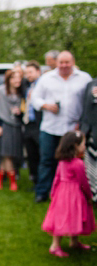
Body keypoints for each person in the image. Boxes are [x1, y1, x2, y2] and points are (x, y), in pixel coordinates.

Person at [31, 51, 92, 203]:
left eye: (67, 62)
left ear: (73, 62)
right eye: (61, 62)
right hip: (50, 127)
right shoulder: (47, 78)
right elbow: (34, 98)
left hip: (72, 129)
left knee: (72, 162)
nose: (64, 65)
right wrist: (46, 105)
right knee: (46, 160)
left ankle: (74, 193)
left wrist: (83, 123)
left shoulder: (84, 78)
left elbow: (89, 103)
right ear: (56, 63)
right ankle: (42, 192)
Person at [42, 131, 94, 257]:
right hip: (74, 195)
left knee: (63, 217)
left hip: (61, 194)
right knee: (73, 216)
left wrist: (53, 192)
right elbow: (83, 182)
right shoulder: (78, 164)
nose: (84, 146)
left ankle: (73, 242)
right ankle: (55, 246)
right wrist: (89, 195)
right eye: (83, 144)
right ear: (75, 146)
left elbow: (57, 178)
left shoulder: (62, 161)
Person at [0, 70, 24, 191]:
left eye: (18, 78)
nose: (17, 81)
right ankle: (11, 181)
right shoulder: (1, 91)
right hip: (4, 125)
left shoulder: (21, 93)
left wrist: (20, 113)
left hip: (16, 126)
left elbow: (24, 110)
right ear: (8, 80)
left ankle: (0, 178)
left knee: (12, 153)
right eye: (13, 78)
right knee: (6, 154)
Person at [21, 61, 43, 186]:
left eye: (31, 72)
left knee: (41, 154)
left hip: (39, 124)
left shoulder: (42, 86)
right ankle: (35, 180)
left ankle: (43, 182)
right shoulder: (28, 86)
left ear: (38, 72)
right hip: (28, 124)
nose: (28, 75)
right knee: (31, 154)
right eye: (26, 73)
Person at [80, 78, 97, 202]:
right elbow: (85, 109)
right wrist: (84, 129)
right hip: (91, 133)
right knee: (91, 167)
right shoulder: (91, 84)